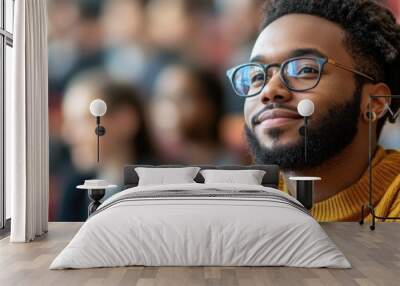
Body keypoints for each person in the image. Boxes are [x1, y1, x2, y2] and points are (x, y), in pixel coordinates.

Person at [226, 0, 400, 222]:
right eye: (257, 77)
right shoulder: (236, 207)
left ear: (374, 102)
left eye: (305, 69)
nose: (269, 91)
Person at [58, 71, 155, 221]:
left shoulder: (160, 190)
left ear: (125, 121)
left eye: (83, 121)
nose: (68, 135)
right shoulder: (74, 189)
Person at [150, 61, 239, 164]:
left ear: (209, 106)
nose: (168, 108)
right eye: (164, 98)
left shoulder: (234, 165)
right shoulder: (158, 163)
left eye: (183, 98)